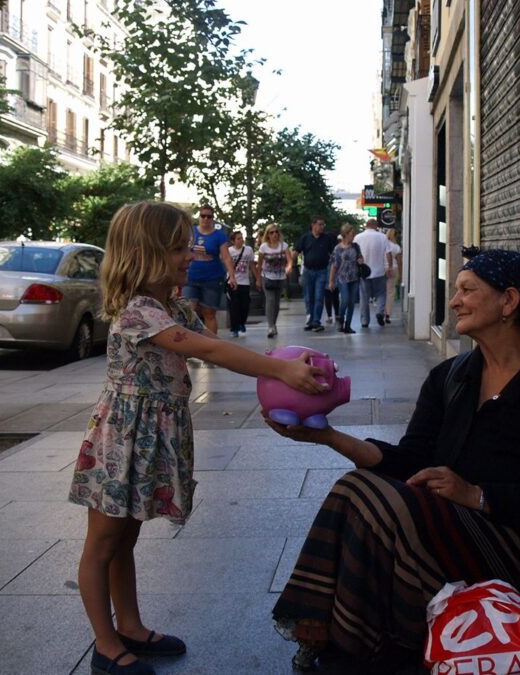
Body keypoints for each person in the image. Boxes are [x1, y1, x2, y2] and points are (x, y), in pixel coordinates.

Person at [266, 247, 520, 671]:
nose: (454, 300)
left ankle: (340, 642)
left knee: (373, 503)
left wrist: (475, 494)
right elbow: (412, 460)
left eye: (467, 290)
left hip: (516, 546)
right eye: (455, 290)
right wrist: (326, 436)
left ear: (509, 302)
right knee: (359, 489)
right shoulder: (451, 377)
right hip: (445, 525)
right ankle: (342, 641)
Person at [68, 201, 327, 675]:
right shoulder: (137, 312)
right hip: (124, 437)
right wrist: (279, 369)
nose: (191, 255)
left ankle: (129, 624)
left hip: (150, 432)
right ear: (144, 253)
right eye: (177, 248)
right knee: (103, 542)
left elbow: (221, 345)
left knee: (125, 537)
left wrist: (282, 360)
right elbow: (208, 348)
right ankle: (105, 646)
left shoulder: (170, 305)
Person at [180, 204, 237, 335]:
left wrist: (232, 276)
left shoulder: (219, 236)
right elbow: (181, 252)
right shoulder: (190, 232)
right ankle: (189, 345)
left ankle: (212, 345)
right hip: (191, 277)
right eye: (203, 216)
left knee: (209, 313)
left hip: (212, 279)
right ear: (199, 217)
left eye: (209, 216)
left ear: (212, 218)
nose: (206, 219)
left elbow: (226, 257)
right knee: (188, 311)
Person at [295, 215, 336, 332]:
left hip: (322, 271)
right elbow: (296, 251)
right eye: (320, 224)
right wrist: (288, 265)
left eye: (323, 225)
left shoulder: (327, 238)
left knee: (319, 297)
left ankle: (316, 321)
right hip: (308, 271)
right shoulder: (305, 238)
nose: (322, 227)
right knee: (308, 297)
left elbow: (333, 254)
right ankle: (310, 319)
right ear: (313, 225)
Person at [353, 218, 393, 327]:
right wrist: (389, 267)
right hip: (379, 271)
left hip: (364, 272)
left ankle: (365, 321)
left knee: (364, 298)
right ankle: (380, 312)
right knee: (381, 294)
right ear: (375, 226)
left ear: (366, 225)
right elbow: (388, 253)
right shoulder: (382, 237)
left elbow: (353, 254)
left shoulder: (358, 237)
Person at [255, 224, 293, 339]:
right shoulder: (263, 247)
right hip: (267, 276)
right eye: (271, 232)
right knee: (270, 300)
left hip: (280, 277)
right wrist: (258, 279)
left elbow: (290, 260)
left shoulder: (284, 246)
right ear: (268, 235)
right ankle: (270, 326)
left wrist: (289, 267)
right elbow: (259, 264)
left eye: (276, 232)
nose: (274, 234)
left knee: (276, 303)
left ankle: (274, 324)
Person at [327, 224, 363, 334]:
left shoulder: (355, 246)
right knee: (345, 299)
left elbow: (361, 258)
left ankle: (348, 325)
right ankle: (340, 319)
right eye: (352, 234)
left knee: (352, 302)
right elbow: (334, 265)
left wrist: (361, 261)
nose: (353, 236)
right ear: (345, 234)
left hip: (355, 277)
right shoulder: (337, 248)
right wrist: (331, 281)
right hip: (342, 278)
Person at [225, 230, 257, 338]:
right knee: (234, 306)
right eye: (238, 238)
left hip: (245, 282)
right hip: (232, 282)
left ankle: (242, 323)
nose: (241, 240)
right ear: (233, 241)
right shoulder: (229, 251)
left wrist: (258, 279)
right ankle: (234, 329)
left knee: (245, 305)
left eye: (241, 237)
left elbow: (252, 265)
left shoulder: (248, 250)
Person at [384, 228, 403, 324]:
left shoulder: (383, 245)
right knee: (390, 292)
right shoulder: (396, 247)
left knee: (382, 292)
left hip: (382, 268)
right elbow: (400, 262)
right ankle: (387, 314)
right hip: (393, 268)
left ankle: (381, 310)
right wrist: (401, 275)